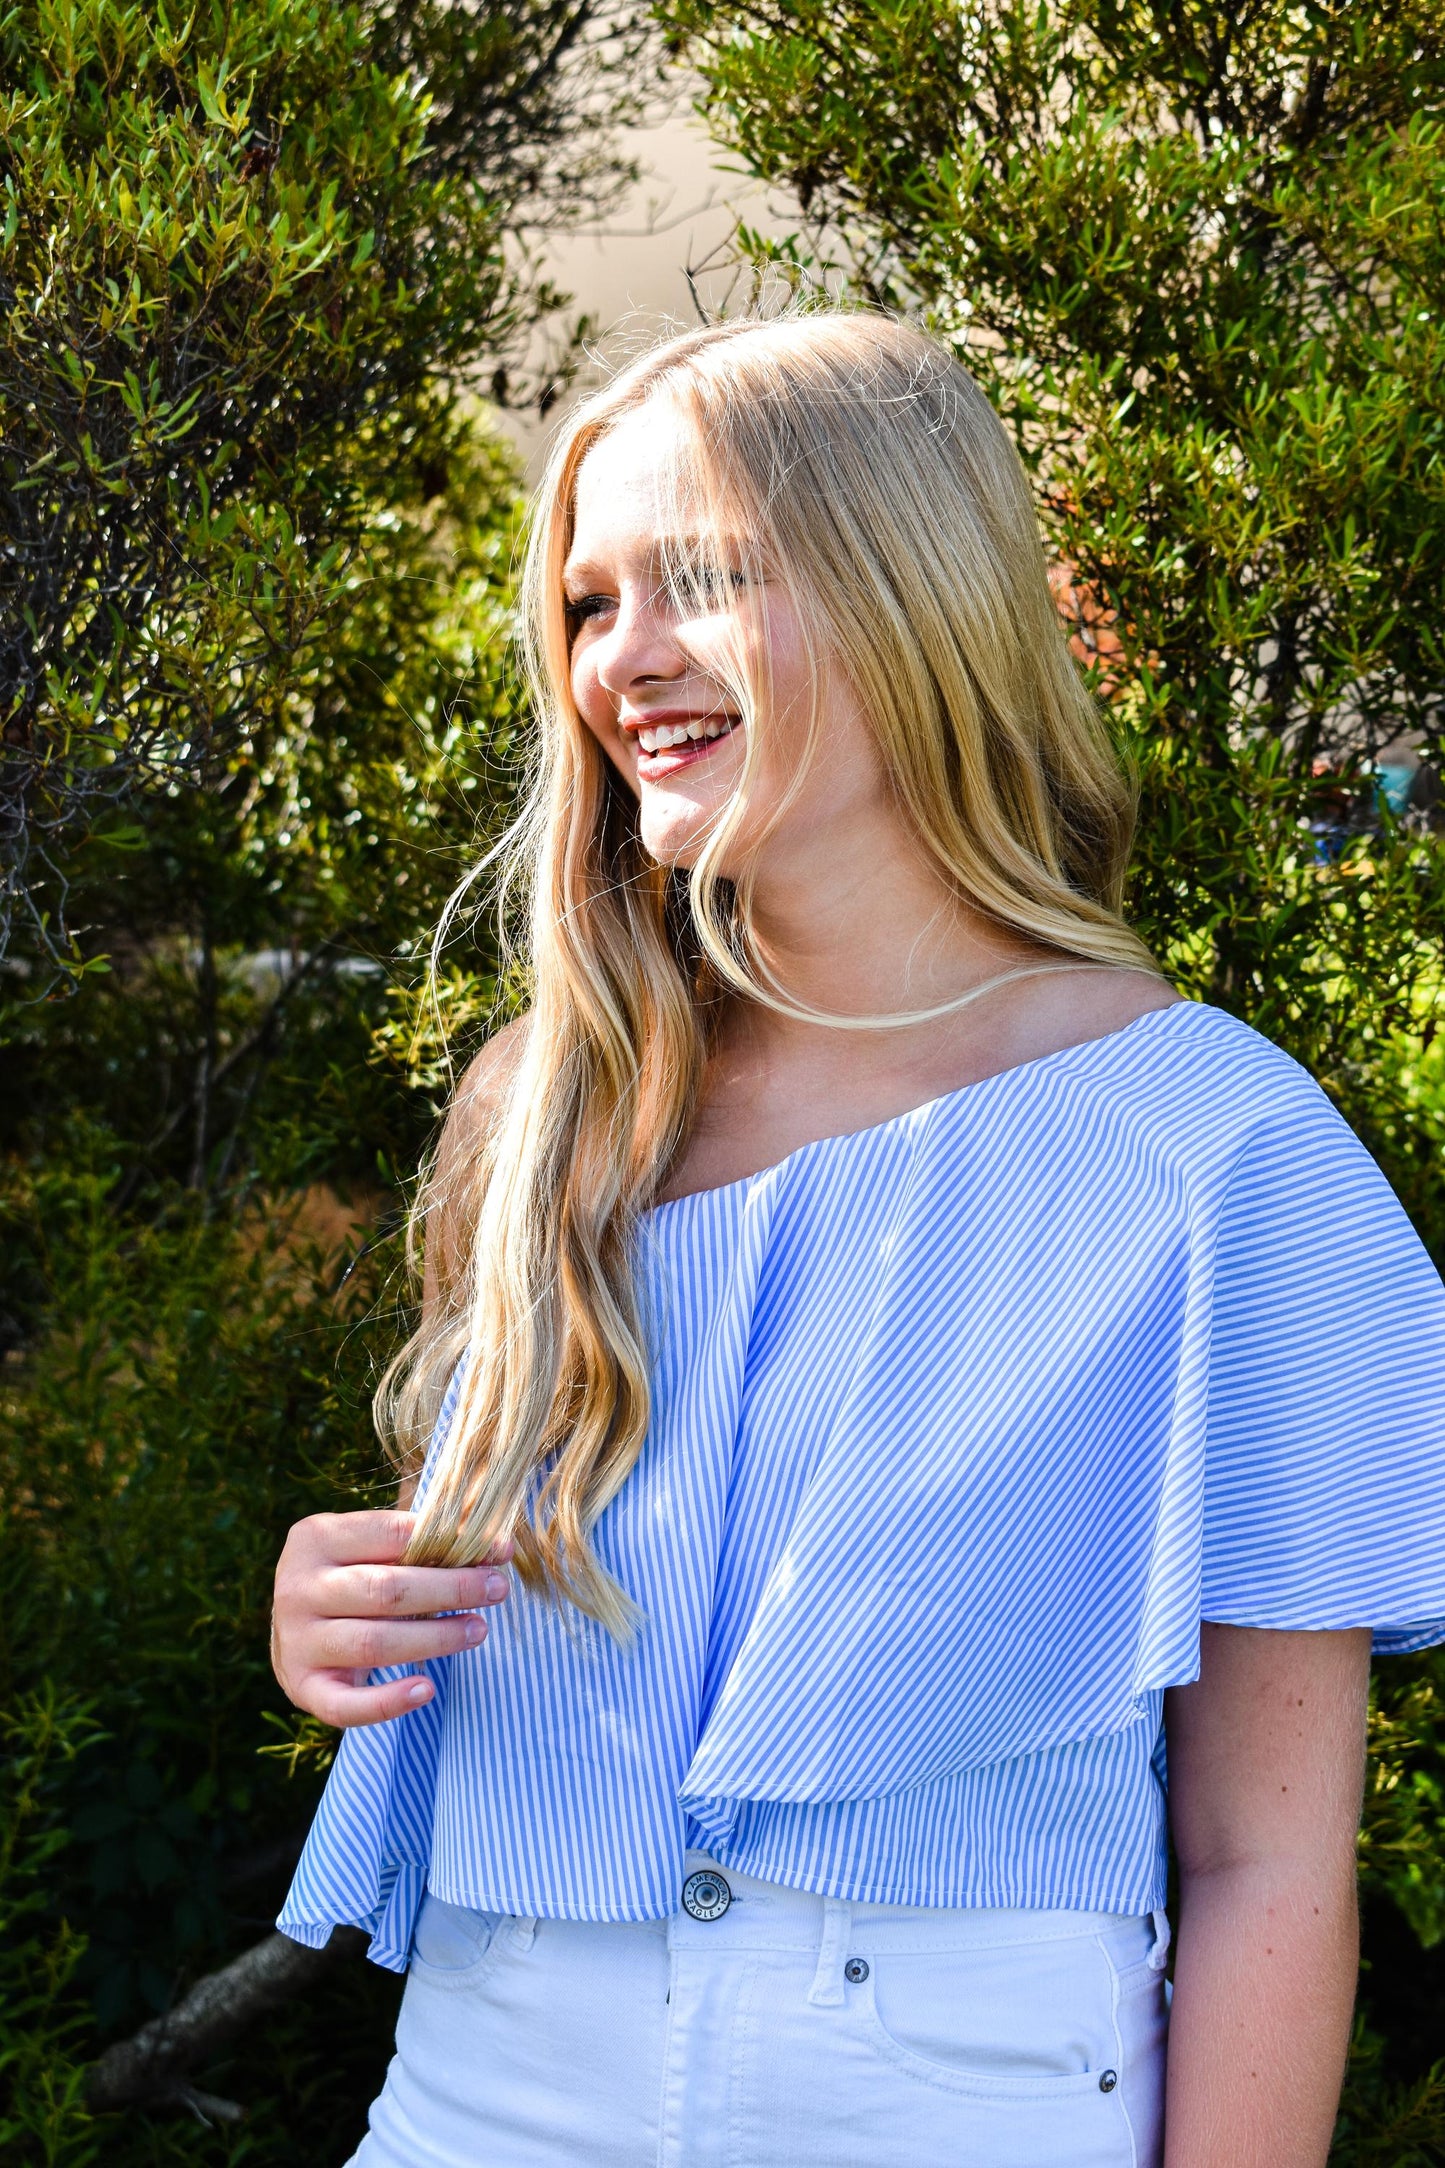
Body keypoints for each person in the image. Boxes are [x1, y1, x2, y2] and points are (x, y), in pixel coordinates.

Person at [269, 310, 1445, 2168]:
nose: (623, 662)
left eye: (706, 580)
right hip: (489, 2085)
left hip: (956, 2103)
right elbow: (505, 1608)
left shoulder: (1218, 1152)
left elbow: (1266, 1855)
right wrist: (335, 1619)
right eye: (587, 605)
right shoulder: (550, 1099)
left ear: (915, 594)